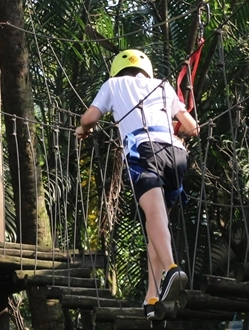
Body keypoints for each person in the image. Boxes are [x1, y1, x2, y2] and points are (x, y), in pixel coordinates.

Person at [76, 49, 198, 320]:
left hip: (144, 151)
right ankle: (152, 297)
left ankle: (171, 269)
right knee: (156, 224)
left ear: (117, 69)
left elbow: (89, 118)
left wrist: (83, 130)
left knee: (153, 216)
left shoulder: (113, 84)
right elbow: (192, 128)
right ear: (147, 70)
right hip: (176, 155)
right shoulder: (163, 85)